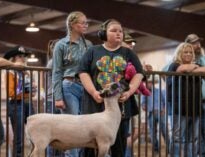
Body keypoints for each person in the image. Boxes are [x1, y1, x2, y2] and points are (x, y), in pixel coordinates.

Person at [79, 19, 144, 157]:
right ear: (103, 33)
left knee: (119, 144)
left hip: (121, 106)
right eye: (113, 30)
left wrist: (129, 91)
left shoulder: (128, 53)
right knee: (89, 146)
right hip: (95, 104)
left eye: (120, 31)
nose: (118, 33)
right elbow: (83, 72)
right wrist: (93, 92)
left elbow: (139, 74)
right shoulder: (92, 51)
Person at [52, 11, 92, 157]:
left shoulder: (88, 45)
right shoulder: (60, 45)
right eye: (83, 23)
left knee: (85, 127)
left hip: (86, 87)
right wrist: (58, 97)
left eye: (86, 23)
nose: (86, 25)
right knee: (72, 128)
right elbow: (56, 72)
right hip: (69, 86)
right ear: (73, 25)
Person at [167, 42, 205, 157]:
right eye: (186, 52)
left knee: (194, 138)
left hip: (195, 107)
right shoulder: (173, 65)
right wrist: (195, 69)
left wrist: (193, 69)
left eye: (190, 52)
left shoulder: (196, 65)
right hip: (180, 108)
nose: (189, 54)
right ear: (180, 53)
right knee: (177, 137)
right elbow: (182, 68)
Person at [3, 46, 31, 157]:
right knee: (19, 137)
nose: (23, 58)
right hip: (16, 104)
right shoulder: (11, 72)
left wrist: (30, 90)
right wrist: (25, 92)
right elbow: (11, 93)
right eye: (20, 56)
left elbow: (29, 91)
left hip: (26, 102)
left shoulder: (24, 72)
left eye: (23, 56)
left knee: (33, 131)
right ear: (13, 59)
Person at [141, 76, 167, 154]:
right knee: (153, 132)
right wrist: (144, 106)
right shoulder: (144, 93)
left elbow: (165, 101)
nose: (149, 84)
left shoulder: (159, 91)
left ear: (152, 83)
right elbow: (143, 103)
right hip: (151, 113)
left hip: (160, 112)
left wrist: (164, 110)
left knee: (164, 130)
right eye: (147, 83)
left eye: (150, 82)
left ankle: (169, 148)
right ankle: (155, 149)